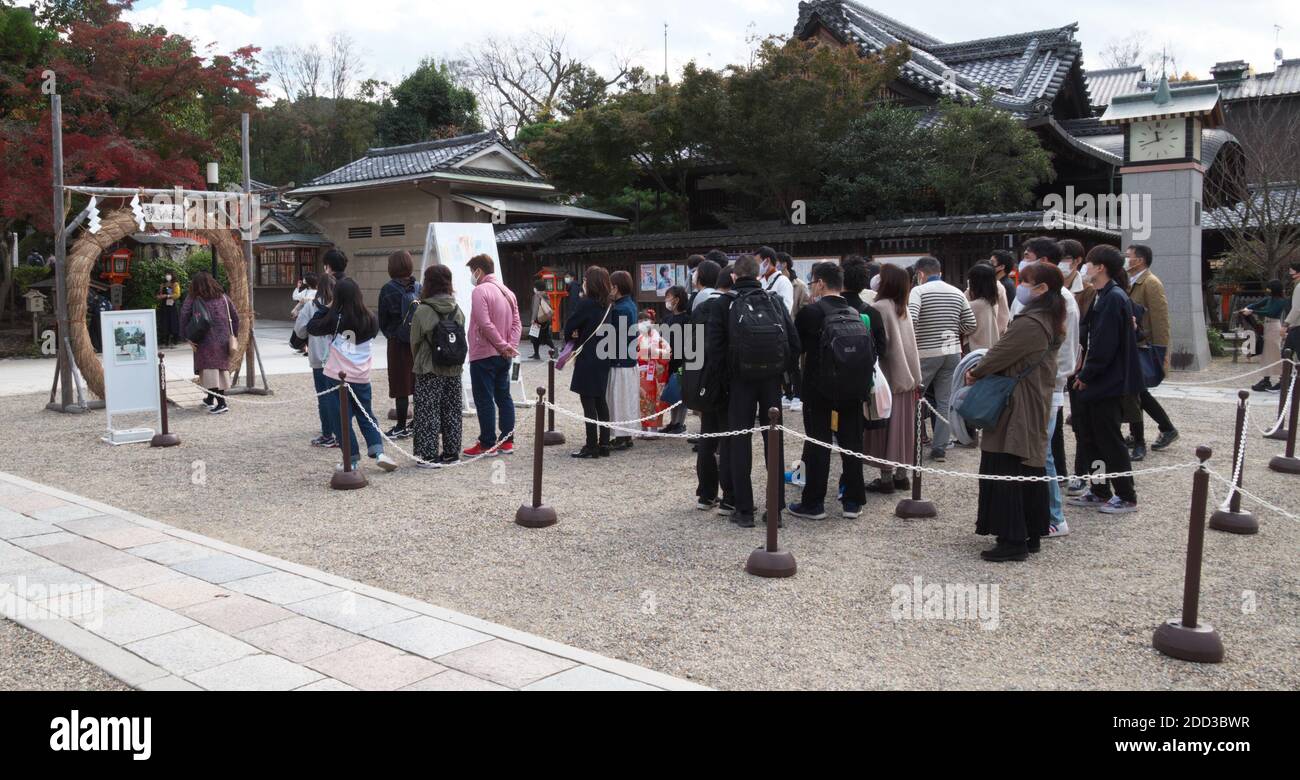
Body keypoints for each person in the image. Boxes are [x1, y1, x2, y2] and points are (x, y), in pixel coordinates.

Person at [966, 261, 1064, 562]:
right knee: (1029, 467)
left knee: (1006, 466)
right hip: (1033, 397)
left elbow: (1000, 353)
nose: (1019, 285)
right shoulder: (1050, 317)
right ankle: (1031, 532)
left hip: (1016, 403)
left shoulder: (1031, 323)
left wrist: (976, 371)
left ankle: (1012, 538)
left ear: (1042, 288)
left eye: (1025, 280)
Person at [706, 254, 801, 528]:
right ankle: (776, 509)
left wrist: (725, 380)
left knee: (739, 442)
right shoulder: (773, 300)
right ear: (758, 276)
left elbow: (715, 350)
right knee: (774, 442)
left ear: (734, 277)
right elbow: (793, 342)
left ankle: (744, 508)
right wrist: (784, 374)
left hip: (739, 381)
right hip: (771, 379)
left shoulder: (724, 304)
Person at [787, 262, 870, 521]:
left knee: (818, 445)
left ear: (821, 283)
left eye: (812, 282)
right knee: (852, 444)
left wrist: (794, 384)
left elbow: (793, 350)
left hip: (818, 388)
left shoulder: (810, 313)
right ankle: (853, 502)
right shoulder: (856, 312)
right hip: (853, 387)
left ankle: (814, 504)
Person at [1069, 245, 1142, 515]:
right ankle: (1100, 489)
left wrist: (1087, 374)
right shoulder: (1102, 295)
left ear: (1100, 267)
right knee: (1092, 437)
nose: (1086, 268)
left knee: (1109, 439)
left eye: (1089, 263)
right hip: (1094, 377)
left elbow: (1105, 344)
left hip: (1106, 380)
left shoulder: (1113, 297)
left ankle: (1126, 494)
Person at [307, 278, 398, 473]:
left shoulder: (335, 318)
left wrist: (327, 308)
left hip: (337, 376)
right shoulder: (371, 318)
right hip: (362, 376)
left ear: (337, 297)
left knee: (341, 419)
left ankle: (352, 458)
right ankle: (379, 451)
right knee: (366, 415)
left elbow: (312, 327)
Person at [909, 256, 976, 462]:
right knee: (944, 401)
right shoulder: (957, 292)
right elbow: (971, 324)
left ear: (920, 274)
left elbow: (911, 319)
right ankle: (940, 448)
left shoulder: (918, 291)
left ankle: (911, 445)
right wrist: (952, 332)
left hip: (926, 353)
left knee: (914, 400)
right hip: (952, 352)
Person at [1031, 263, 1080, 539]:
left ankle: (1054, 516)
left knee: (1044, 453)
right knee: (1042, 451)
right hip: (1047, 385)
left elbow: (1064, 356)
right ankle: (1045, 512)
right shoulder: (1057, 303)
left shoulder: (1062, 306)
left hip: (1048, 387)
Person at [864, 265, 922, 494]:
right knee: (903, 432)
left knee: (884, 430)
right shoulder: (902, 307)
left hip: (887, 380)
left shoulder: (879, 307)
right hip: (907, 378)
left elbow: (879, 346)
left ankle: (886, 478)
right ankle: (902, 476)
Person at [1125, 243, 1178, 461]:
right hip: (1133, 345)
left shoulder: (1150, 283)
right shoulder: (1132, 281)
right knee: (1138, 393)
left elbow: (1160, 319)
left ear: (1140, 260)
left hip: (1144, 345)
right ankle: (1166, 428)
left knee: (1136, 392)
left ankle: (1149, 435)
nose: (1125, 259)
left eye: (1128, 256)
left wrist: (1161, 350)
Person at [464, 254, 521, 457]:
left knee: (484, 398)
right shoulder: (508, 292)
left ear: (479, 270)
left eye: (472, 271)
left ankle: (487, 442)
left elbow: (483, 322)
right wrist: (509, 346)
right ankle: (506, 441)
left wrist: (501, 345)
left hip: (484, 353)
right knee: (504, 396)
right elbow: (517, 323)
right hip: (504, 355)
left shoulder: (480, 291)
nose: (472, 276)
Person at [687, 262, 733, 510]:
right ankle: (729, 496)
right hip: (725, 378)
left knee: (707, 435)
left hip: (703, 377)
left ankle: (705, 494)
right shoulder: (730, 306)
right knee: (726, 438)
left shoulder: (701, 306)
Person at [409, 264, 466, 468]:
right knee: (452, 409)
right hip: (453, 366)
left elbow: (414, 342)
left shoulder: (422, 310)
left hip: (429, 367)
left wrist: (419, 361)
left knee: (427, 410)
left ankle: (428, 454)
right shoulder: (457, 309)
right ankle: (451, 452)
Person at [565, 266, 614, 459]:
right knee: (601, 400)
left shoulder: (586, 303)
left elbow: (570, 327)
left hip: (588, 356)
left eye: (585, 279)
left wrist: (574, 335)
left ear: (590, 282)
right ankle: (604, 443)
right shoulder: (609, 304)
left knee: (588, 401)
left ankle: (591, 445)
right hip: (603, 355)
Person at [180, 271, 239, 415]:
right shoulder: (224, 298)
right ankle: (210, 399)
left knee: (210, 371)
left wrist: (186, 336)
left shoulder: (194, 298)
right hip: (223, 340)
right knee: (220, 370)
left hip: (204, 340)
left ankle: (222, 403)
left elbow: (183, 315)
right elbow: (235, 317)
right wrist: (234, 335)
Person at [378, 251, 419, 440]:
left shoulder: (388, 289)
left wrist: (391, 334)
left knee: (400, 383)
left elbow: (383, 320)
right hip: (418, 342)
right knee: (418, 381)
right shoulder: (418, 286)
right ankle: (417, 422)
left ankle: (401, 425)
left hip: (398, 343)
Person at [295, 273, 337, 448]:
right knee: (338, 396)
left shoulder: (311, 306)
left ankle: (328, 433)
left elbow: (300, 331)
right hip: (339, 359)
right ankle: (341, 431)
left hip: (319, 357)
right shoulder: (340, 306)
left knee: (324, 397)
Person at [606, 270, 640, 451]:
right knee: (626, 400)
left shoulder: (620, 309)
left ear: (615, 287)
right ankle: (625, 435)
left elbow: (615, 337)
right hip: (628, 360)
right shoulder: (630, 305)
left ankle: (621, 437)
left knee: (619, 400)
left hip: (620, 361)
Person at [1242, 280, 1290, 392]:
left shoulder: (1281, 301)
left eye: (1270, 288)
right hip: (1267, 327)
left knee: (1275, 355)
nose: (1268, 290)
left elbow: (1270, 312)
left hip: (1274, 327)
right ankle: (1266, 380)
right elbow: (1256, 304)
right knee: (1266, 355)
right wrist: (1247, 308)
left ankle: (1282, 380)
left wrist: (1252, 311)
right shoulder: (1269, 299)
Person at [778, 252, 809, 413]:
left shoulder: (800, 286)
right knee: (782, 364)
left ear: (784, 264)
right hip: (778, 331)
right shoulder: (771, 283)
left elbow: (804, 308)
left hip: (794, 330)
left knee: (795, 365)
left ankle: (798, 395)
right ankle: (787, 392)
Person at [636, 311, 671, 437]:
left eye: (646, 320)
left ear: (652, 322)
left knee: (655, 400)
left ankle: (654, 429)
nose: (642, 323)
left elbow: (667, 353)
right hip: (641, 372)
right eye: (640, 321)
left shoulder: (658, 337)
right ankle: (643, 428)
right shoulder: (638, 338)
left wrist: (654, 352)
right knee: (641, 401)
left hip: (654, 372)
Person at [662, 285, 691, 435]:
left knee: (681, 392)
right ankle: (673, 422)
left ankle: (680, 422)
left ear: (677, 299)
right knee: (671, 391)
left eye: (669, 297)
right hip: (669, 360)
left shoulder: (687, 319)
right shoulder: (667, 318)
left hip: (681, 360)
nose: (666, 300)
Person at [965, 262, 1007, 352]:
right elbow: (1004, 318)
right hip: (993, 346)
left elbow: (964, 329)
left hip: (975, 351)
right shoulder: (993, 300)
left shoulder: (973, 305)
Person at [756, 246, 794, 313]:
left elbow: (786, 310)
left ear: (767, 261)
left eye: (757, 262)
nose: (756, 266)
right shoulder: (760, 281)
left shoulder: (783, 281)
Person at [528, 279, 556, 360]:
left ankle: (537, 354)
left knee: (535, 336)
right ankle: (553, 351)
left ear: (536, 288)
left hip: (538, 319)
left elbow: (535, 308)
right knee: (545, 337)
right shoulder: (546, 295)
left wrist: (533, 319)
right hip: (545, 320)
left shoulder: (537, 295)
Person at [155, 271, 182, 347]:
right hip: (164, 305)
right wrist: (159, 296)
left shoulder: (175, 284)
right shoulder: (162, 285)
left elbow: (177, 295)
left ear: (172, 276)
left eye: (169, 275)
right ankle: (166, 342)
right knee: (164, 323)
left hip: (172, 305)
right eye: (166, 274)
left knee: (173, 322)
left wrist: (167, 296)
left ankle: (175, 341)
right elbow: (159, 294)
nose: (167, 276)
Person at [1284, 263, 1300, 358]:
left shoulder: (1298, 287)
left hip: (1297, 325)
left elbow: (1297, 308)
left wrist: (1286, 323)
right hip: (1294, 326)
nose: (1290, 274)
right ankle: (1287, 372)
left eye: (1291, 272)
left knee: (1287, 355)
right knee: (1286, 355)